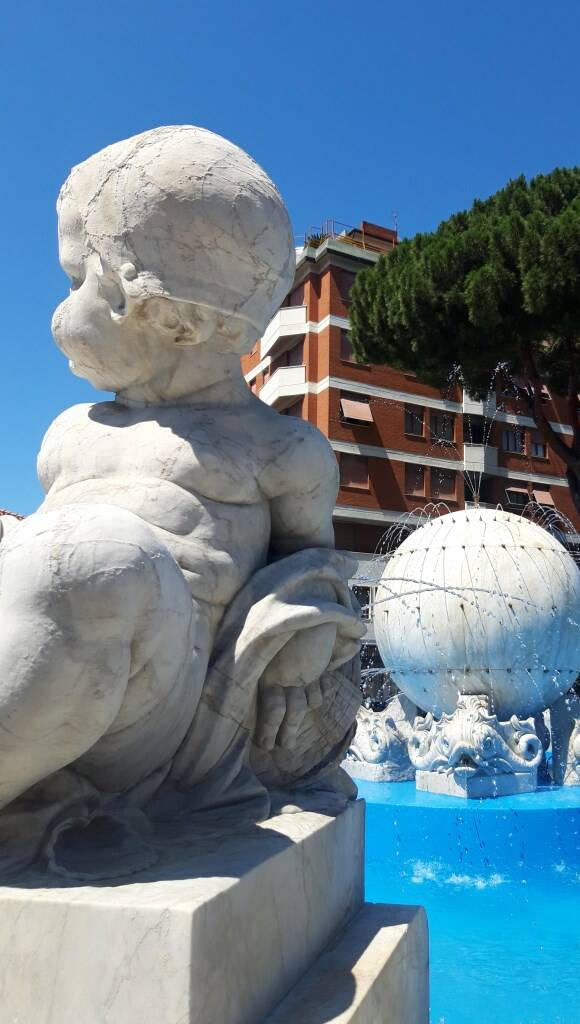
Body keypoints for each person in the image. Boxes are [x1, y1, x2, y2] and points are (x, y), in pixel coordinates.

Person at [0, 126, 363, 878]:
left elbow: (316, 580)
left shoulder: (277, 451)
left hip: (154, 711)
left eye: (77, 282)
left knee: (97, 562)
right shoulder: (72, 433)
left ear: (176, 321)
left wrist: (300, 656)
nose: (57, 313)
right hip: (56, 677)